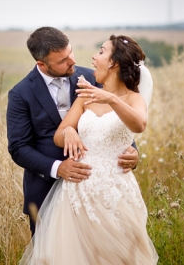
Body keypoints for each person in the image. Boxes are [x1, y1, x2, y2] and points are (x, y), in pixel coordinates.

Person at [19, 34, 157, 264]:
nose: (93, 56)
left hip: (115, 192)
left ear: (114, 63)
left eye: (101, 51)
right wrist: (71, 131)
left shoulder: (134, 99)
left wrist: (111, 99)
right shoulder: (85, 96)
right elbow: (58, 136)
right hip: (77, 193)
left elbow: (139, 125)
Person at [7, 27, 139, 236]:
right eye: (62, 61)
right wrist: (58, 168)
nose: (72, 62)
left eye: (71, 53)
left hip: (98, 191)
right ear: (41, 64)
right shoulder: (20, 94)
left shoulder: (93, 77)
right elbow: (18, 147)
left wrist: (131, 149)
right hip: (45, 190)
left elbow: (115, 118)